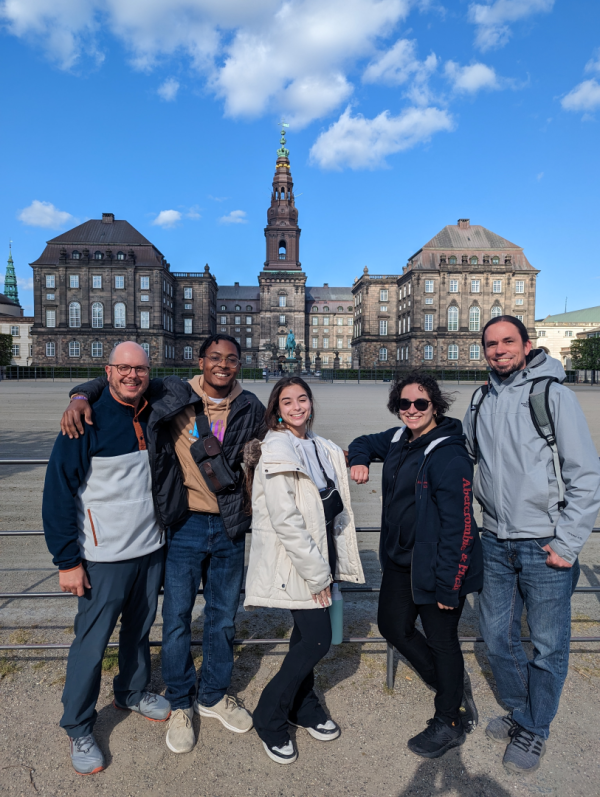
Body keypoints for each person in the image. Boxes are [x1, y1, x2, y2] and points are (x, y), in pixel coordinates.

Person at [60, 334, 266, 756]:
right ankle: (178, 701)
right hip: (184, 524)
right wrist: (81, 394)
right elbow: (122, 377)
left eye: (231, 359)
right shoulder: (174, 390)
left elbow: (285, 434)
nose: (222, 365)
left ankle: (211, 696)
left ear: (240, 364)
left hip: (229, 529)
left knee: (223, 618)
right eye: (214, 358)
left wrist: (343, 454)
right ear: (200, 360)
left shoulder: (252, 407)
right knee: (174, 619)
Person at [462, 316, 600, 775]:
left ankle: (536, 727)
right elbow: (461, 457)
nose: (499, 350)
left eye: (508, 342)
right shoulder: (480, 400)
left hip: (544, 543)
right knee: (498, 639)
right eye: (491, 344)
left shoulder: (552, 394)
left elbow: (585, 475)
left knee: (546, 643)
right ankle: (524, 711)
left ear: (526, 344)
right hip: (495, 540)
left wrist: (567, 541)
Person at [43, 342, 170, 775]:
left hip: (150, 549)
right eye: (123, 369)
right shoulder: (84, 421)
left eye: (140, 369)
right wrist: (67, 562)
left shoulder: (155, 406)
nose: (132, 376)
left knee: (138, 631)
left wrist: (83, 390)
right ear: (108, 370)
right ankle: (78, 724)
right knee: (91, 645)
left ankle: (132, 692)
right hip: (102, 556)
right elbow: (57, 493)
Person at [348, 372, 483, 760]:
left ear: (435, 406)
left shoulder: (449, 453)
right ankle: (451, 687)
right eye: (404, 404)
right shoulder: (396, 438)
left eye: (420, 403)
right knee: (393, 626)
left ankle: (450, 720)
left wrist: (449, 585)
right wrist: (360, 460)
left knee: (442, 640)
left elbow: (460, 527)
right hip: (399, 560)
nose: (411, 410)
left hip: (436, 564)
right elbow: (361, 442)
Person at [243, 376, 364, 764]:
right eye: (287, 401)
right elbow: (286, 520)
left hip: (321, 552)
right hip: (301, 561)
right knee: (316, 640)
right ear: (276, 409)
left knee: (303, 637)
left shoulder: (320, 446)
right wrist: (317, 575)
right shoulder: (276, 449)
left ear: (311, 403)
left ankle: (304, 705)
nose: (296, 406)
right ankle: (269, 715)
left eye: (302, 399)